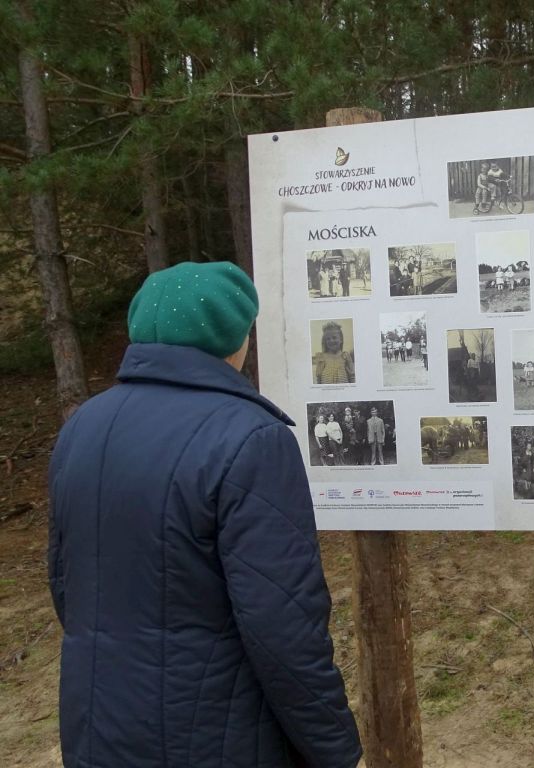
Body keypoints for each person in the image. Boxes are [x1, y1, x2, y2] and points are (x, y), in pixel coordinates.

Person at [48, 262, 362, 768]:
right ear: (235, 339)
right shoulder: (251, 438)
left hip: (99, 726)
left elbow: (66, 584)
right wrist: (335, 748)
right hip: (215, 734)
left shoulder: (82, 427)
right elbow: (282, 622)